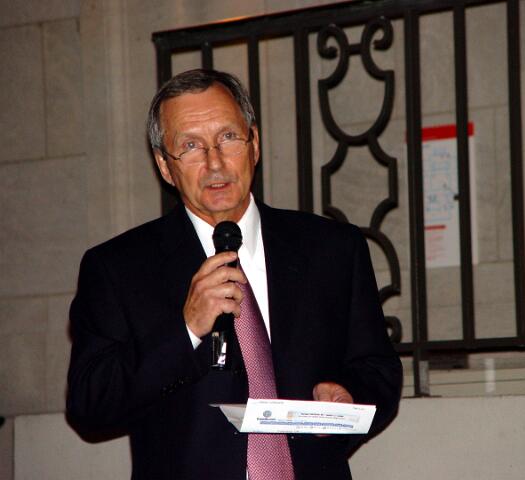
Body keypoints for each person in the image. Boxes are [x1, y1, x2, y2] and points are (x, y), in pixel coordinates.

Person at [66, 68, 402, 479]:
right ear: (165, 166)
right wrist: (186, 330)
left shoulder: (332, 249)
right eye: (190, 146)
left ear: (254, 144)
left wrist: (349, 397)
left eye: (228, 137)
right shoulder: (118, 268)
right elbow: (91, 405)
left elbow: (378, 370)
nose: (215, 162)